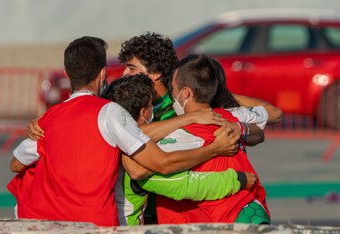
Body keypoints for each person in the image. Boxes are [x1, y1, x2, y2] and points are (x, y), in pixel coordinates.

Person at [8, 36, 240, 227]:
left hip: (44, 219)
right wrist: (215, 149)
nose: (125, 74)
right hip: (98, 224)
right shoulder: (111, 111)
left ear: (68, 75)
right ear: (102, 74)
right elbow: (159, 164)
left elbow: (16, 164)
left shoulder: (51, 116)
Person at [104, 74, 257, 225]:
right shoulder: (138, 161)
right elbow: (187, 185)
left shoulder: (108, 137)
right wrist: (237, 179)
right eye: (152, 105)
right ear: (145, 112)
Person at [150, 54, 271, 224]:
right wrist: (242, 128)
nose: (171, 95)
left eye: (173, 89)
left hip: (219, 220)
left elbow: (148, 156)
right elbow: (269, 118)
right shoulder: (234, 115)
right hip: (252, 210)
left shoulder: (182, 134)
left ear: (185, 93)